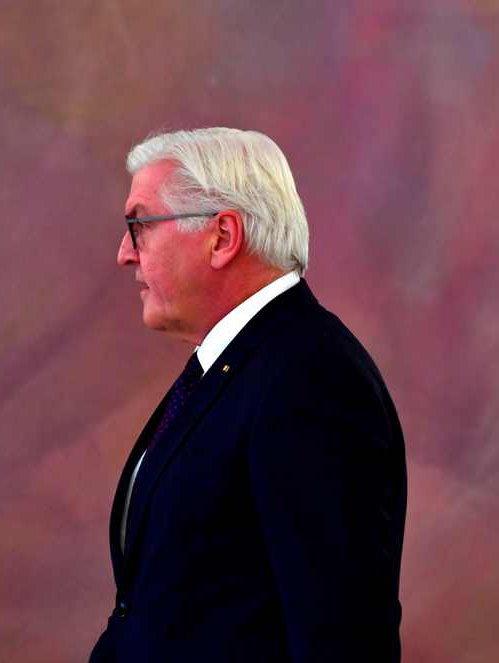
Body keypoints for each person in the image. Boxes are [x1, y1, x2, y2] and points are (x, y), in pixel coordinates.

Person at [89, 128, 406, 662]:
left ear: (222, 237)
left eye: (139, 226)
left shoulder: (310, 378)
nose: (125, 254)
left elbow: (343, 636)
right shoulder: (240, 367)